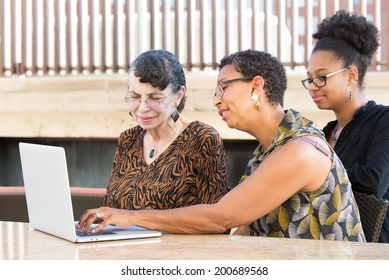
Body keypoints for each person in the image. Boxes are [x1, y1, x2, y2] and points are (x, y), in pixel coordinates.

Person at [78, 49, 365, 241]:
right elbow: (242, 229)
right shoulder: (268, 151)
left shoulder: (301, 150)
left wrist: (127, 217)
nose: (216, 100)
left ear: (256, 86)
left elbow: (221, 218)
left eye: (223, 87)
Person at [301, 10, 389, 242]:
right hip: (331, 249)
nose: (312, 86)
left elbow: (375, 180)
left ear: (351, 75)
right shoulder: (326, 132)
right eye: (309, 79)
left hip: (375, 252)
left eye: (322, 77)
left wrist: (312, 174)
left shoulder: (383, 120)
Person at [103, 49, 228, 210]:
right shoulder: (128, 139)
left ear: (178, 96)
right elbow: (109, 209)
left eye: (155, 98)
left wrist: (132, 219)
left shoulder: (202, 139)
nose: (142, 108)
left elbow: (216, 221)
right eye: (135, 96)